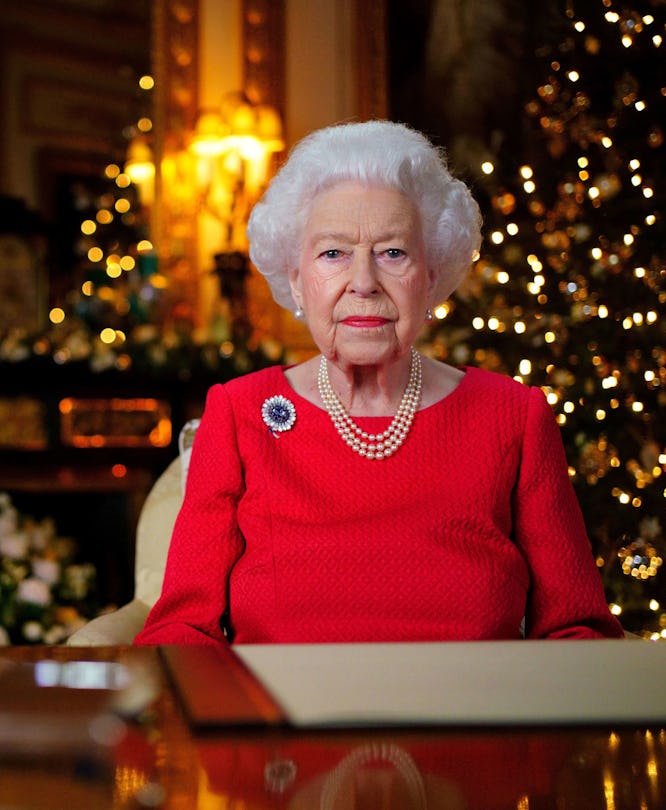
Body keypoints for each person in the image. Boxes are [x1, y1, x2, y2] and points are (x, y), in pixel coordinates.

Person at [135, 120, 624, 646]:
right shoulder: (240, 412)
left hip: (469, 720)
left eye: (393, 253)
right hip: (283, 721)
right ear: (297, 279)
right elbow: (182, 630)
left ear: (431, 277)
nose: (364, 282)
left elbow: (577, 628)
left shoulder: (511, 415)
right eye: (333, 253)